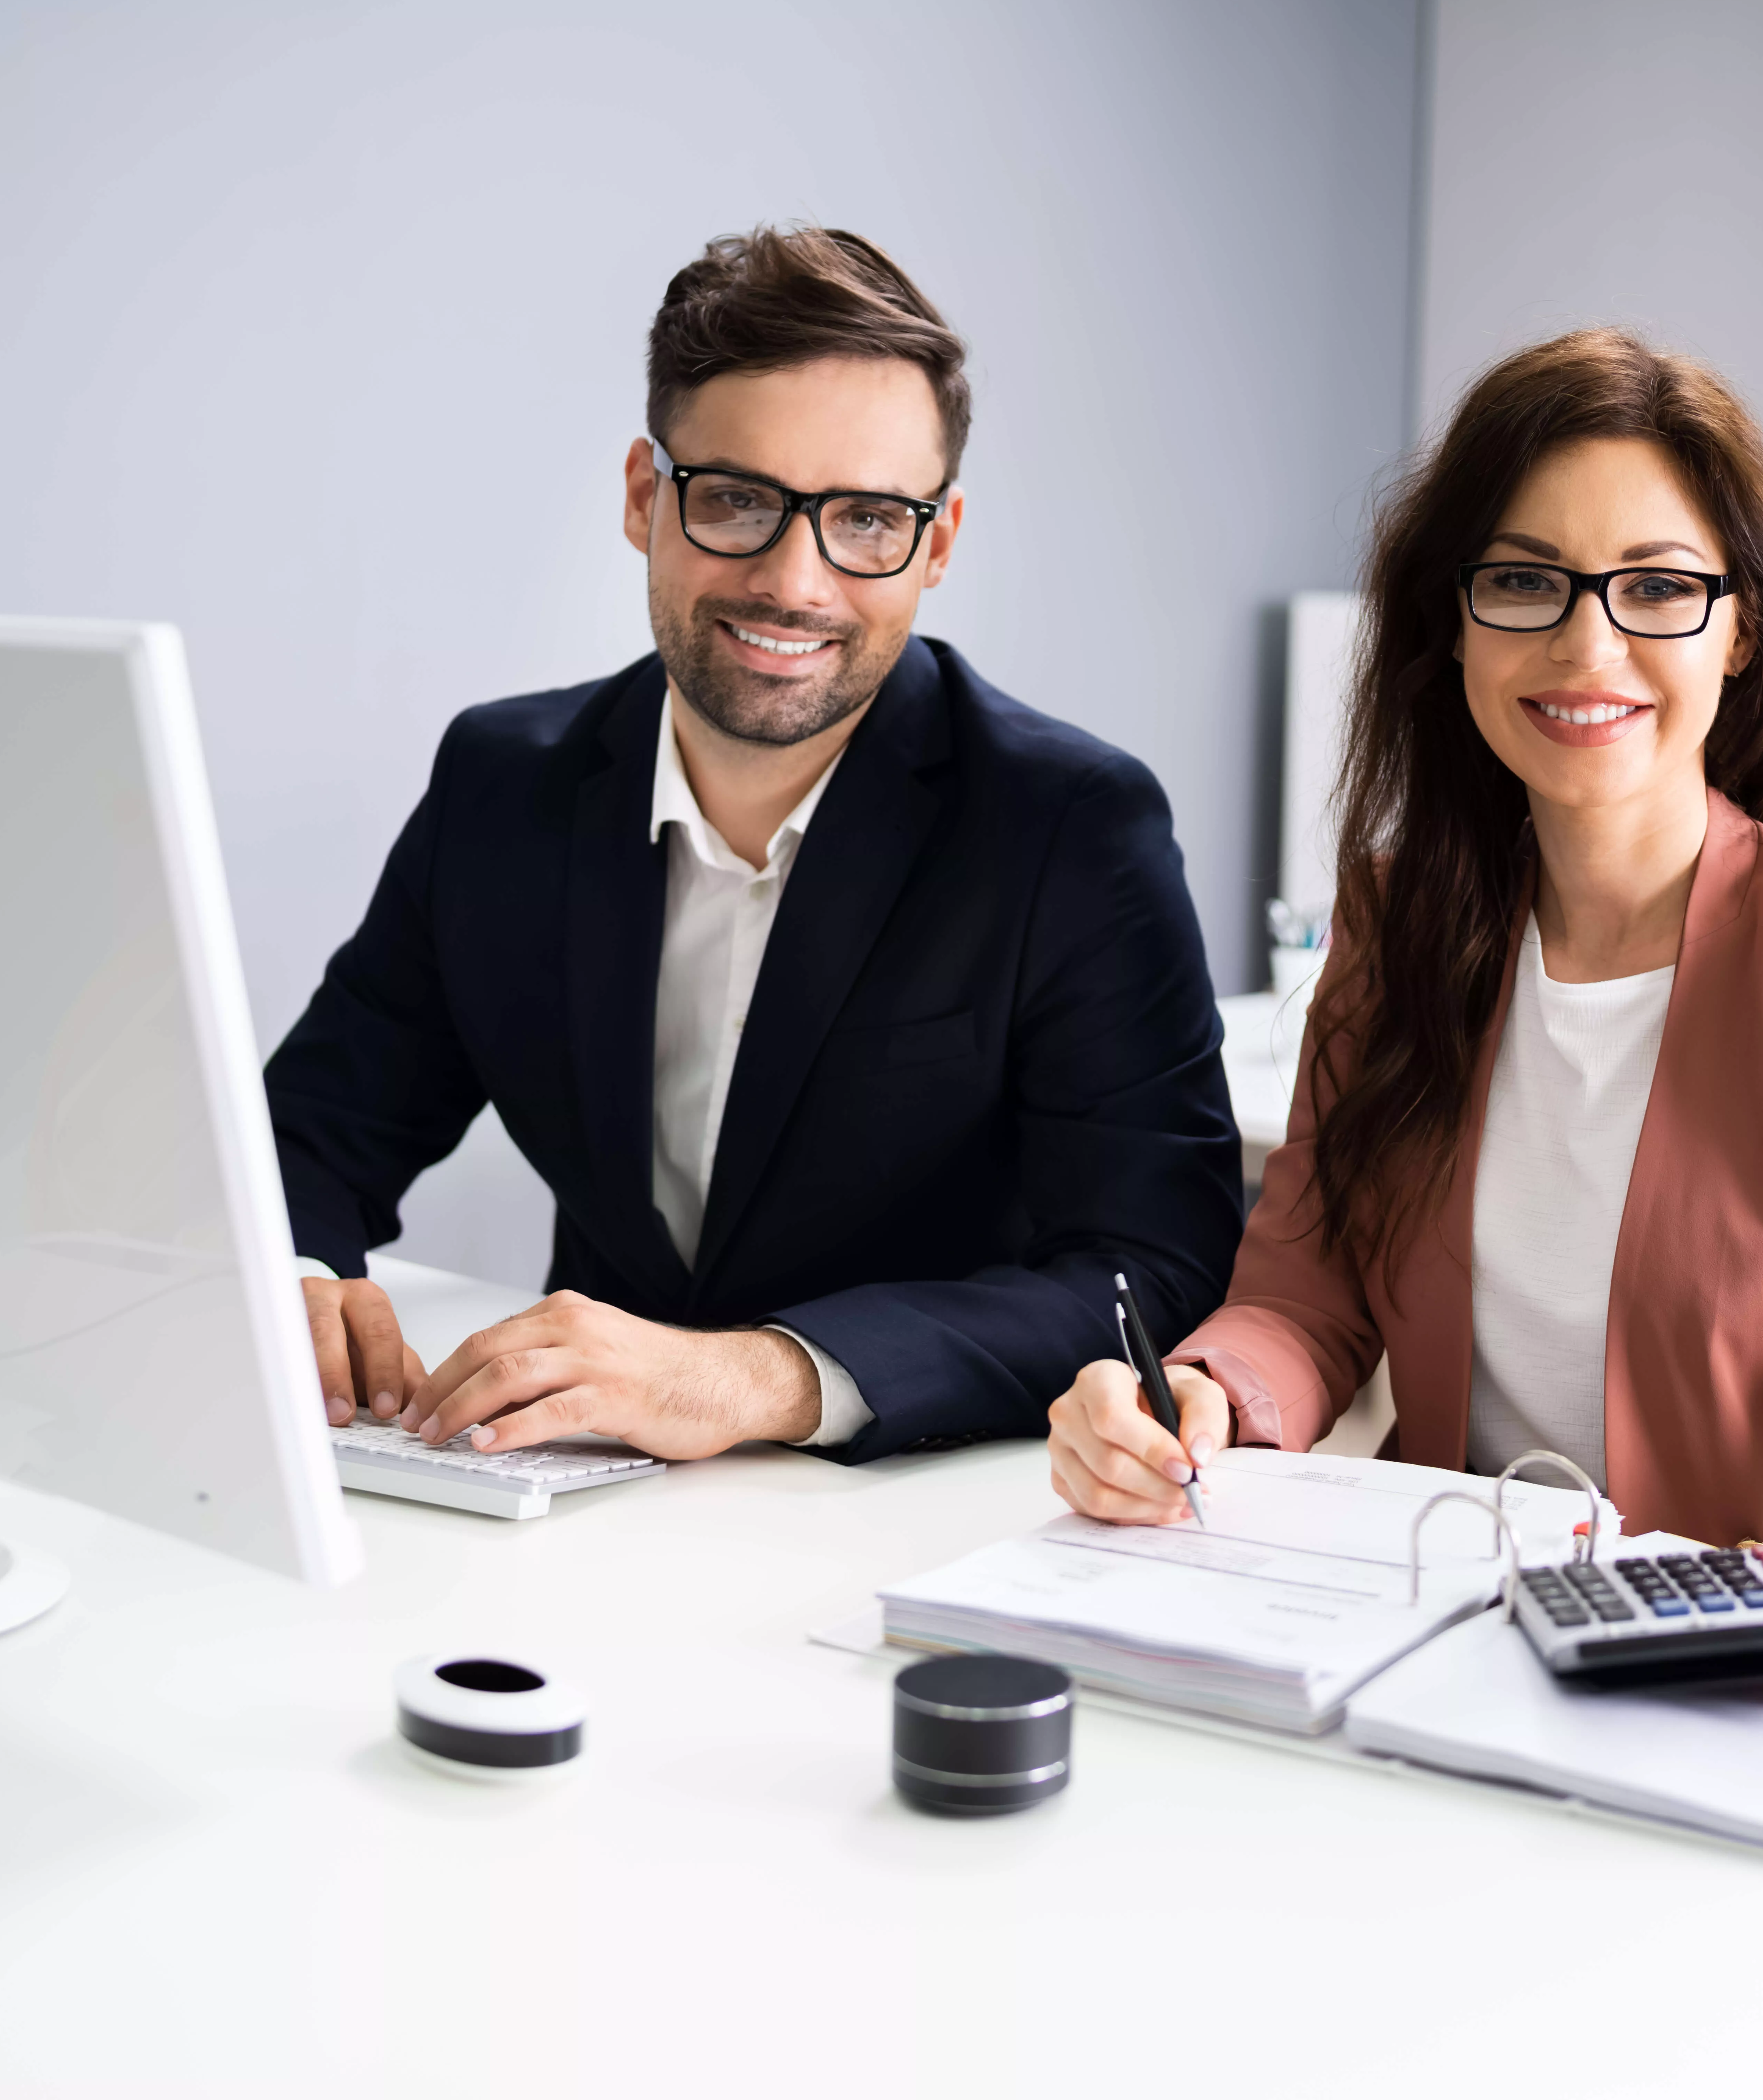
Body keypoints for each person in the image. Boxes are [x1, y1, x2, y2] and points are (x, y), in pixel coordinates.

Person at [1045, 328, 1763, 1706]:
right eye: (1524, 581)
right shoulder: (1401, 921)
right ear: (1453, 621)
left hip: (1753, 1654)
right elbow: (1305, 1294)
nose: (1587, 642)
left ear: (1743, 627)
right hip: (1455, 1640)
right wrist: (1197, 1395)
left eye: (1659, 588)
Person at [267, 225, 1244, 1464]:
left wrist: (757, 1379)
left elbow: (1149, 1269)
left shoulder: (1071, 826)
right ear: (643, 498)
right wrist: (289, 1273)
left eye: (869, 520)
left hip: (918, 1513)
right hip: (571, 1505)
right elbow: (313, 1127)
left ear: (936, 544)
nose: (796, 581)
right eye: (736, 500)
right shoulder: (503, 784)